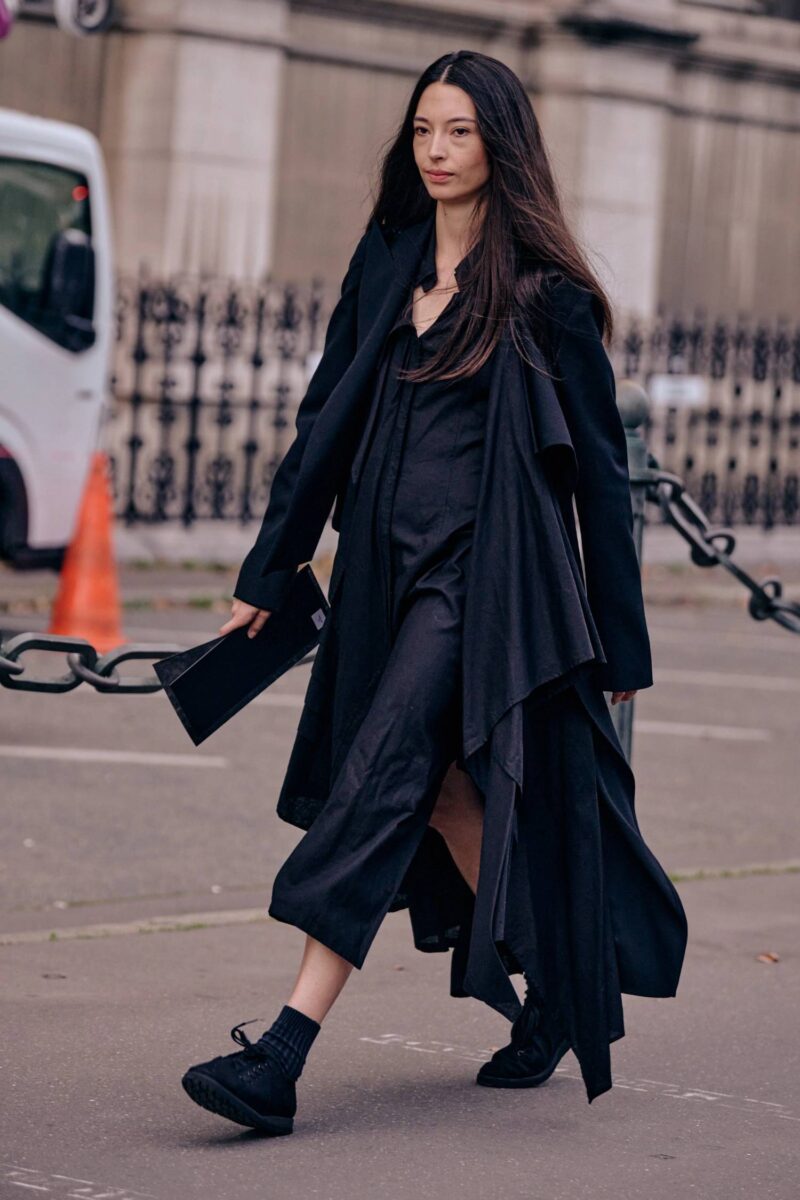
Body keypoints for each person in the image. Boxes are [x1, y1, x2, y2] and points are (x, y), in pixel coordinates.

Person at [181, 49, 688, 1136]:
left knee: (378, 779)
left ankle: (281, 1051)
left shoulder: (544, 298)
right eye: (423, 131)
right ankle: (550, 989)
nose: (438, 151)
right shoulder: (387, 265)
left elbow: (601, 481)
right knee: (450, 797)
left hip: (479, 587)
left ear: (498, 145)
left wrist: (620, 660)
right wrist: (267, 575)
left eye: (458, 131)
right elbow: (322, 427)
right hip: (377, 573)